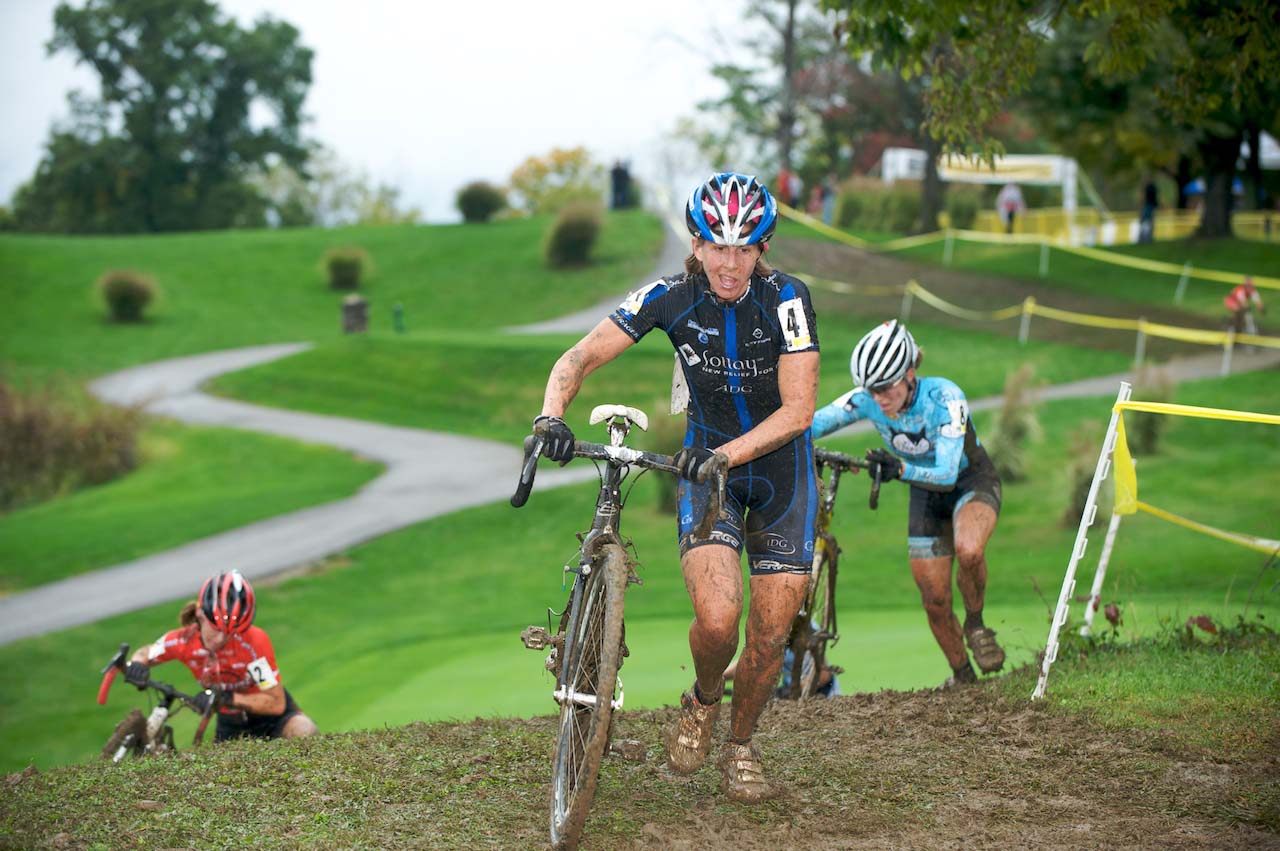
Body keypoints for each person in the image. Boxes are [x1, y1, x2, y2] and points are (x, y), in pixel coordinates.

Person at [532, 172, 821, 803]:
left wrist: (724, 455)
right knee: (719, 622)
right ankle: (703, 699)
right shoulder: (668, 294)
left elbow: (799, 410)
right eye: (717, 246)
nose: (729, 262)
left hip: (780, 473)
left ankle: (741, 744)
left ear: (763, 249)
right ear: (695, 243)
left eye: (744, 248)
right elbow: (577, 358)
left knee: (771, 632)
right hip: (706, 473)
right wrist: (551, 416)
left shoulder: (788, 299)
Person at [811, 321, 1005, 687]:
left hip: (969, 481)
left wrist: (897, 468)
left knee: (969, 550)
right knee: (933, 599)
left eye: (886, 387)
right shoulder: (868, 399)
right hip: (925, 495)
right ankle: (964, 678)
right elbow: (812, 423)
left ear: (910, 374)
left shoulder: (945, 398)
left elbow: (946, 473)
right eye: (871, 389)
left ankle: (976, 624)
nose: (879, 398)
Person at [123, 570, 318, 742]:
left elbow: (275, 703)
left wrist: (227, 698)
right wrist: (138, 663)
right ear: (200, 615)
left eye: (231, 632)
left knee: (303, 729)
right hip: (230, 724)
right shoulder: (183, 641)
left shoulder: (253, 642)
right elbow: (148, 652)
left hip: (273, 720)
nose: (221, 639)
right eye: (216, 629)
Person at [1139, 178, 1159, 243]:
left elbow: (1143, 197)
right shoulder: (1153, 187)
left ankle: (1144, 239)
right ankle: (1147, 239)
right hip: (1151, 206)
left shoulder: (1149, 188)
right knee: (1149, 223)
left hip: (1148, 206)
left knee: (1145, 223)